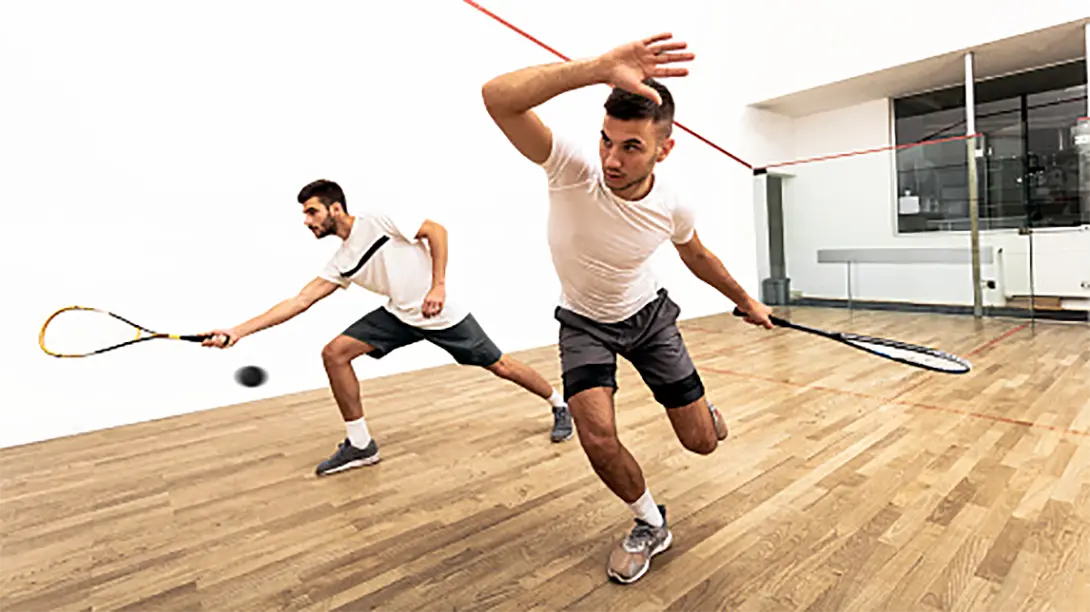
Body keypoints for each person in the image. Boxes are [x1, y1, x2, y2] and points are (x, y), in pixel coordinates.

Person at [481, 33, 775, 584]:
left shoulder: (673, 204)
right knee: (595, 434)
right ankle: (649, 523)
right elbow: (498, 97)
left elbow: (698, 255)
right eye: (606, 140)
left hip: (649, 319)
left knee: (702, 444)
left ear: (663, 149)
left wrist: (746, 301)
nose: (611, 159)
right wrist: (596, 69)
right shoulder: (570, 167)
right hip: (583, 323)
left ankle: (704, 418)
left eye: (631, 147)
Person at [201, 179, 574, 476]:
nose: (307, 221)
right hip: (399, 316)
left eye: (311, 211)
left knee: (500, 365)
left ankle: (559, 404)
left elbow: (436, 232)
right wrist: (238, 331)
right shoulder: (340, 260)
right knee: (334, 353)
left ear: (335, 208)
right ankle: (360, 444)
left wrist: (438, 285)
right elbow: (300, 300)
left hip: (440, 314)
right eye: (304, 214)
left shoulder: (378, 220)